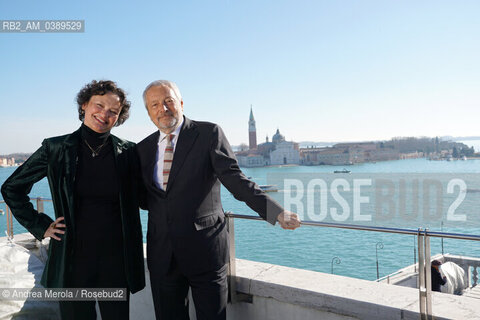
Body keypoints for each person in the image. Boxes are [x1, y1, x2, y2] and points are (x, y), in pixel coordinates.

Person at [137, 80, 301, 320]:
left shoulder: (208, 133)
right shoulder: (143, 149)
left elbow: (235, 179)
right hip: (162, 255)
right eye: (155, 105)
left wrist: (275, 212)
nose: (163, 108)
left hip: (205, 250)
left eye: (168, 101)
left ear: (180, 103)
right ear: (149, 113)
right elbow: (143, 198)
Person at [1, 80, 145, 320]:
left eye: (113, 111)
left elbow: (147, 196)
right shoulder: (55, 148)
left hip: (116, 261)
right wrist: (41, 225)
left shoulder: (128, 152)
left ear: (119, 117)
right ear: (84, 105)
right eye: (99, 105)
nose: (104, 114)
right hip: (73, 259)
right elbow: (12, 188)